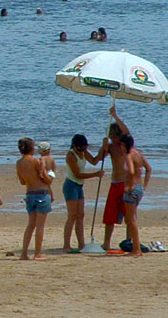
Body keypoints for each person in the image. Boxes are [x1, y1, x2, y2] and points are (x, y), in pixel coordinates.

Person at [96, 105, 131, 250]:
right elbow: (97, 159)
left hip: (125, 183)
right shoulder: (110, 147)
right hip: (114, 183)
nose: (113, 139)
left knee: (128, 214)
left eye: (115, 136)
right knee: (109, 215)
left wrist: (115, 116)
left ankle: (129, 240)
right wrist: (103, 147)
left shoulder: (125, 145)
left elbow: (127, 132)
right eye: (111, 137)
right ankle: (106, 242)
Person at [62, 134, 103, 253]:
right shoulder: (71, 155)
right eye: (80, 148)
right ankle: (66, 245)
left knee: (80, 215)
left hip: (79, 186)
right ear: (74, 146)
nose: (82, 150)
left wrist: (103, 148)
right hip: (71, 185)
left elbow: (95, 161)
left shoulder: (84, 152)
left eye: (84, 148)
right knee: (72, 216)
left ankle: (81, 244)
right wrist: (95, 174)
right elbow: (77, 174)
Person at [17, 137, 53, 260]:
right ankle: (37, 253)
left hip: (29, 194)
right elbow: (46, 179)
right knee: (40, 226)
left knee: (30, 225)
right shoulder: (36, 161)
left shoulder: (19, 163)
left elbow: (22, 181)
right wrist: (46, 171)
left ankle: (24, 253)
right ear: (32, 148)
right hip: (41, 193)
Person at [121, 134, 151, 257]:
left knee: (130, 219)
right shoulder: (138, 154)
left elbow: (131, 171)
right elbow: (149, 169)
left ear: (124, 145)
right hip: (139, 188)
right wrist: (144, 186)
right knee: (131, 218)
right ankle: (136, 247)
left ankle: (136, 249)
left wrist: (128, 185)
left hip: (132, 188)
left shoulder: (129, 155)